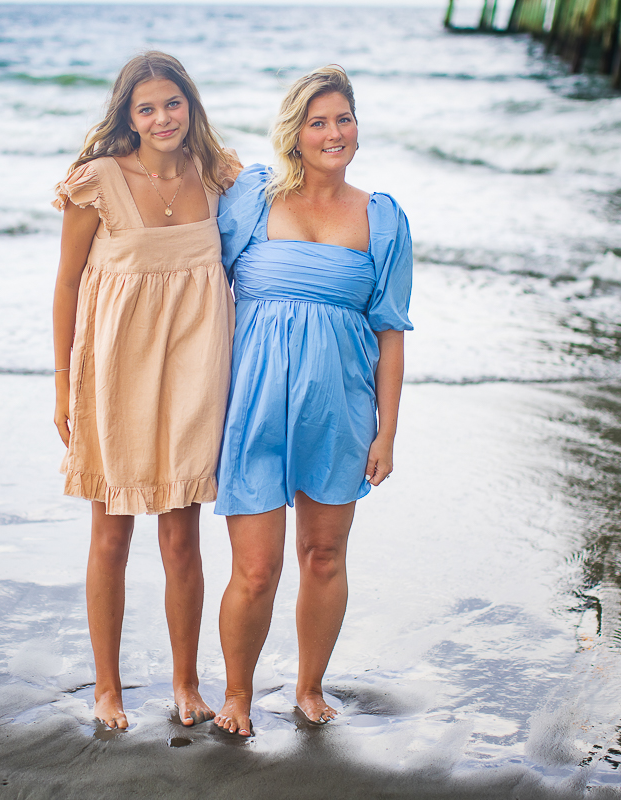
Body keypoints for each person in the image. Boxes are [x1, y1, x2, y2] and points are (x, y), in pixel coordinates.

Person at [212, 65, 412, 737]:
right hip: (255, 405)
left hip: (340, 410)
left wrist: (386, 433)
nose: (334, 133)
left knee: (324, 557)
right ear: (294, 133)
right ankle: (236, 695)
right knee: (257, 566)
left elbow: (391, 330)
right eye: (318, 121)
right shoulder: (250, 199)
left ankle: (308, 686)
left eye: (344, 119)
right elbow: (191, 275)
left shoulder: (381, 217)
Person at [51, 51, 240, 731]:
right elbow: (68, 283)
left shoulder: (219, 175)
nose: (162, 118)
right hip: (116, 375)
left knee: (182, 537)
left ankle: (186, 685)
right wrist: (62, 384)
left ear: (190, 106)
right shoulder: (97, 182)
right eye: (146, 107)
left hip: (196, 373)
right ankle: (107, 688)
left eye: (173, 103)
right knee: (110, 536)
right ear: (128, 117)